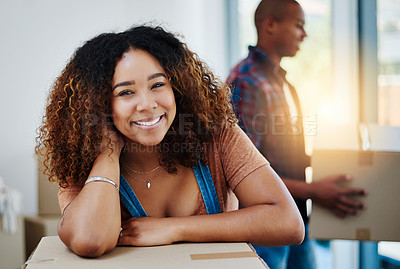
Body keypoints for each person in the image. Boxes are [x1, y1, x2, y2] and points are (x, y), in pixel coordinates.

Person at [35, 24, 305, 258]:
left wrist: (173, 228)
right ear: (98, 104)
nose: (147, 104)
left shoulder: (218, 135)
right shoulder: (81, 159)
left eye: (157, 85)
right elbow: (90, 240)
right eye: (126, 92)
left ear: (178, 87)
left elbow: (289, 223)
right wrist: (108, 153)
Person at [226, 1, 367, 268]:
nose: (304, 34)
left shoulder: (280, 82)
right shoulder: (246, 81)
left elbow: (282, 150)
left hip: (295, 219)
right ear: (270, 25)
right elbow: (240, 173)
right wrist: (314, 190)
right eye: (299, 25)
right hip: (266, 227)